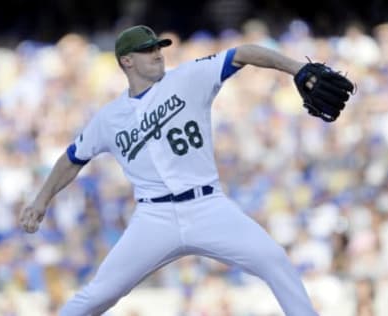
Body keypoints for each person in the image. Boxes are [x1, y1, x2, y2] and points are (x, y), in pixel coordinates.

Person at [20, 25, 330, 315]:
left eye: (158, 47)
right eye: (147, 50)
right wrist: (40, 200)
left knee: (274, 261)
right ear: (126, 60)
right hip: (154, 218)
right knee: (100, 294)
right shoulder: (108, 117)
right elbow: (72, 158)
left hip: (208, 206)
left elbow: (243, 52)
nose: (157, 53)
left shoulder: (188, 77)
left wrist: (298, 68)